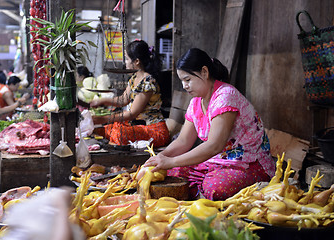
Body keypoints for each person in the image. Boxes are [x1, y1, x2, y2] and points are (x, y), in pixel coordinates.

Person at [142, 48, 275, 200]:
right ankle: (200, 190)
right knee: (172, 174)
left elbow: (214, 146)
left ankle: (204, 191)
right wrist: (158, 158)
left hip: (248, 162)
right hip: (217, 161)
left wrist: (171, 161)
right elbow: (183, 141)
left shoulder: (226, 96)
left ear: (204, 72)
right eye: (182, 81)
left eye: (187, 79)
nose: (184, 86)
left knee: (215, 189)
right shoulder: (195, 102)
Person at [90, 40, 170, 148]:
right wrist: (101, 101)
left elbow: (132, 113)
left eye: (127, 59)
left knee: (119, 133)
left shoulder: (147, 82)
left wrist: (104, 119)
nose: (125, 63)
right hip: (140, 127)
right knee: (108, 128)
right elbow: (123, 100)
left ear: (136, 61)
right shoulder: (134, 79)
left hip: (154, 130)